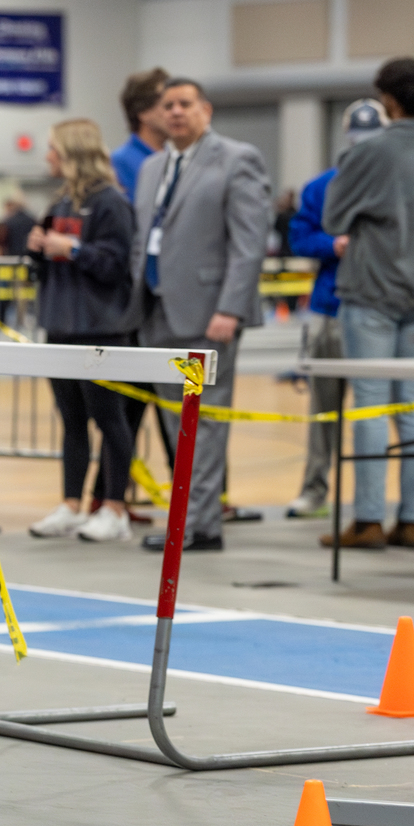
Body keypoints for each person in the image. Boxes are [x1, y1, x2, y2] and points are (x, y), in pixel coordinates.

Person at [127, 77, 271, 552]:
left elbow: (249, 243)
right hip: (157, 310)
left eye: (185, 104)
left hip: (210, 313)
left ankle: (201, 525)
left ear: (205, 110)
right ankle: (188, 519)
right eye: (167, 105)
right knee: (175, 420)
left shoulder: (236, 159)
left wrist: (230, 307)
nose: (175, 112)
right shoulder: (152, 167)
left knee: (205, 421)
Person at [319, 57, 414, 551]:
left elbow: (333, 218)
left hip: (373, 291)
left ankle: (370, 519)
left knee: (372, 406)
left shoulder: (369, 152)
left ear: (389, 100)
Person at [25, 119, 137, 542]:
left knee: (109, 419)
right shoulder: (61, 202)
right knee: (71, 420)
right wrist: (37, 248)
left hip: (100, 328)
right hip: (60, 325)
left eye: (52, 149)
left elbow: (116, 265)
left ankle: (115, 507)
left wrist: (73, 249)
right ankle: (71, 504)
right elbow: (42, 263)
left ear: (72, 153)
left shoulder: (111, 203)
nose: (47, 156)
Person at [285, 99, 388, 519]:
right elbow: (299, 238)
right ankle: (315, 489)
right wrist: (334, 245)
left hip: (382, 310)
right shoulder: (321, 187)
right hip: (330, 309)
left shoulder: (395, 184)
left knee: (393, 407)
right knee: (323, 409)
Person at [112, 67, 170, 204]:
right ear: (143, 112)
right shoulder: (118, 163)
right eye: (167, 105)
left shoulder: (175, 159)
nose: (176, 112)